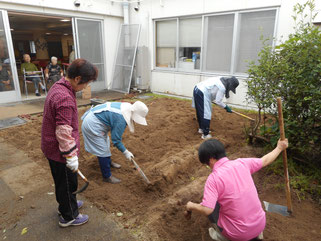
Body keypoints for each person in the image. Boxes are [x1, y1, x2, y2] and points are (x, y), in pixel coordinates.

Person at [185, 138, 289, 241]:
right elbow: (265, 160)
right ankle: (255, 235)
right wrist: (279, 147)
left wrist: (191, 205)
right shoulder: (242, 163)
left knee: (211, 205)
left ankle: (221, 236)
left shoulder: (213, 179)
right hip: (260, 225)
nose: (208, 166)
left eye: (206, 163)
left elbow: (207, 209)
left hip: (238, 235)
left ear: (211, 159)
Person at [41, 58, 98, 227]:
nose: (86, 88)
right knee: (67, 183)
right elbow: (63, 132)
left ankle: (66, 204)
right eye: (86, 83)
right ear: (77, 79)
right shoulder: (64, 98)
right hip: (60, 152)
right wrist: (71, 156)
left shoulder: (60, 86)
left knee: (62, 183)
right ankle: (69, 216)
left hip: (51, 147)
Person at [81, 101, 148, 184]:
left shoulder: (126, 107)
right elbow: (116, 140)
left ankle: (108, 163)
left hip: (96, 118)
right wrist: (126, 152)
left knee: (106, 143)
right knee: (103, 150)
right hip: (93, 124)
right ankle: (107, 176)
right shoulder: (121, 119)